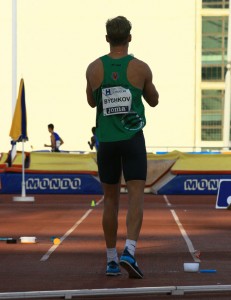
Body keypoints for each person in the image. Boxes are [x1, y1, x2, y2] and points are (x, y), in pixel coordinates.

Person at [86, 16, 159, 279]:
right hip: (132, 140)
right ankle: (129, 249)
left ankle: (111, 260)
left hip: (106, 142)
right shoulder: (141, 68)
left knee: (111, 201)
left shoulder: (94, 68)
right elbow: (154, 101)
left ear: (107, 39)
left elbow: (91, 103)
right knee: (136, 196)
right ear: (129, 38)